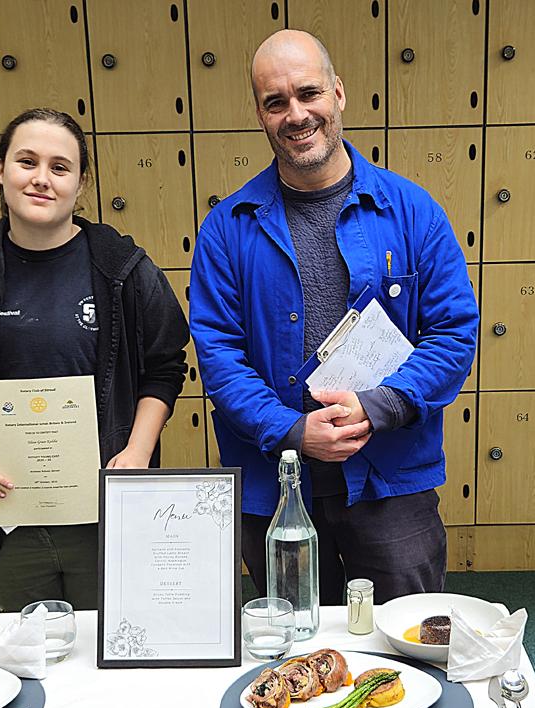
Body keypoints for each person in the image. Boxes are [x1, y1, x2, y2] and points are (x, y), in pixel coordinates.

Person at [189, 30, 479, 604]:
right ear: (261, 115)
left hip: (390, 477)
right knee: (296, 654)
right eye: (276, 103)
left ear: (339, 93)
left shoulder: (414, 211)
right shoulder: (227, 228)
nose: (296, 115)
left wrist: (379, 407)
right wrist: (293, 430)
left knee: (407, 641)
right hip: (275, 485)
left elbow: (452, 333)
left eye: (308, 93)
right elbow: (219, 357)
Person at [0, 108, 188, 611]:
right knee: (28, 659)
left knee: (110, 652)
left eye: (60, 167)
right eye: (26, 161)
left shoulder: (123, 270)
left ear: (81, 182)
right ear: (0, 169)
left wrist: (139, 451)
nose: (41, 179)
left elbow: (164, 368)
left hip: (105, 513)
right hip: (5, 518)